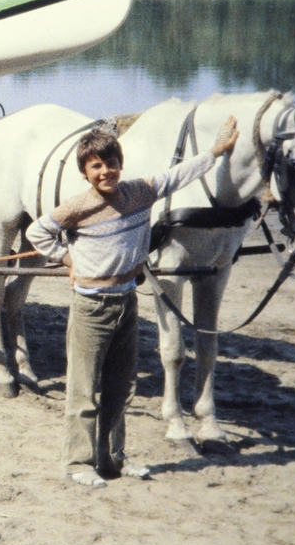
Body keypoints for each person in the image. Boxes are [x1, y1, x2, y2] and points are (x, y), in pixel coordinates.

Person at [26, 116, 239, 487]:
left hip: (126, 303)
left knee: (120, 387)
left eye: (111, 164)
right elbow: (37, 231)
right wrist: (67, 258)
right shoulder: (79, 206)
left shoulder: (140, 192)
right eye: (96, 167)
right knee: (83, 391)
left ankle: (112, 460)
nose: (106, 172)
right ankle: (78, 464)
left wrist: (215, 152)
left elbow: (177, 176)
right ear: (84, 172)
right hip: (91, 307)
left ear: (120, 165)